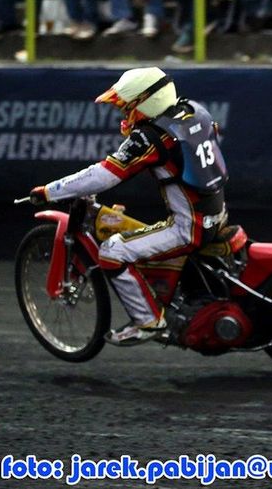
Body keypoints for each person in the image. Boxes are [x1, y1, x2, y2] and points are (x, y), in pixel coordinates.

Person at [28, 67, 229, 346]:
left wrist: (50, 191)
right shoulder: (195, 112)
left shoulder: (152, 136)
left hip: (189, 228)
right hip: (217, 214)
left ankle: (148, 322)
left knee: (113, 251)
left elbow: (105, 175)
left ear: (147, 101)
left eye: (128, 107)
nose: (125, 114)